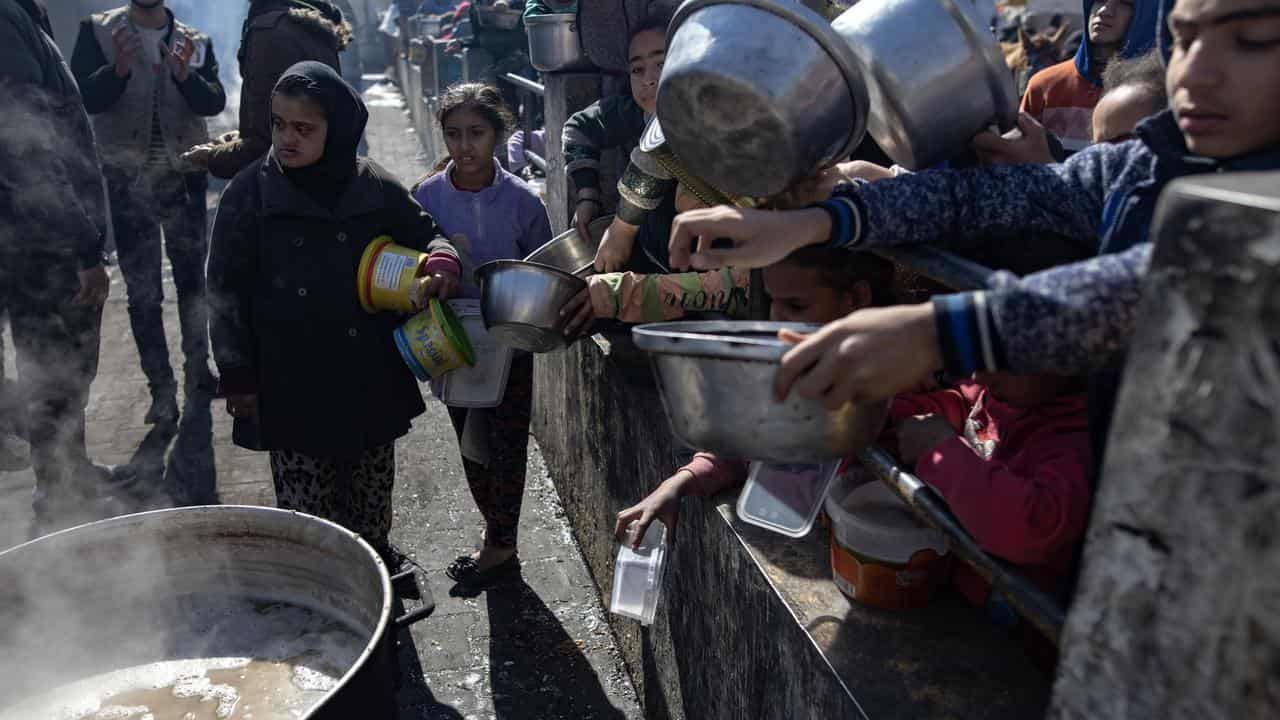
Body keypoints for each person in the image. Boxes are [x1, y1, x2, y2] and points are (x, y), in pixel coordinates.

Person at [663, 0, 1280, 461]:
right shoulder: (1145, 163)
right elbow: (977, 197)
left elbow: (1167, 285)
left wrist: (946, 333)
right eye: (1182, 37)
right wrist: (812, 221)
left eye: (1250, 40)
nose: (1195, 75)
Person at [207, 61, 460, 565]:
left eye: (304, 128)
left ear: (338, 129)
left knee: (369, 507)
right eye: (278, 124)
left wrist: (441, 260)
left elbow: (427, 231)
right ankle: (317, 593)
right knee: (307, 517)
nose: (286, 139)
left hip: (367, 373)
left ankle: (375, 584)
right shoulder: (250, 193)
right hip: (290, 380)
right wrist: (236, 373)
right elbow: (224, 288)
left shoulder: (373, 185)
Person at [613, 248, 895, 546]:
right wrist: (678, 483)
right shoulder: (782, 369)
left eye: (797, 305)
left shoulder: (893, 387)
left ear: (856, 298)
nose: (779, 320)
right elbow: (743, 448)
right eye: (774, 302)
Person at [411, 83, 552, 584]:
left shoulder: (523, 202)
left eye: (476, 133)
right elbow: (411, 260)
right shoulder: (426, 196)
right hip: (451, 338)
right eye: (454, 134)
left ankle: (500, 544)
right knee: (469, 439)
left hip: (509, 341)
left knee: (508, 441)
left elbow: (542, 269)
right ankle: (496, 533)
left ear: (498, 134)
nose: (465, 146)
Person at [71, 0, 226, 426]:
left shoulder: (194, 40)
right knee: (143, 295)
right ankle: (161, 391)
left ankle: (198, 372)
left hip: (184, 178)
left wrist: (185, 75)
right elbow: (85, 97)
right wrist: (117, 70)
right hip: (128, 182)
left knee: (193, 283)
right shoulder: (97, 31)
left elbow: (214, 102)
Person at [0, 0, 117, 531]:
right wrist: (83, 248)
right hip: (44, 243)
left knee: (67, 374)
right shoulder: (6, 18)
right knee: (54, 375)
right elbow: (28, 148)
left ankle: (73, 477)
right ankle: (59, 501)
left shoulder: (24, 14)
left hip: (45, 236)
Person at [888, 373, 1091, 610]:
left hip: (1009, 629)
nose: (978, 375)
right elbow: (966, 405)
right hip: (946, 584)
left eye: (999, 359)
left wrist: (940, 451)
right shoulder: (1010, 388)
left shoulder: (1082, 443)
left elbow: (1028, 529)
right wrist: (893, 414)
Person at [184, 0, 352, 180]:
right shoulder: (302, 21)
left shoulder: (271, 32)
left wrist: (213, 157)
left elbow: (270, 144)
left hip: (289, 191)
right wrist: (240, 137)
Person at [561, 18, 669, 272]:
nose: (649, 80)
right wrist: (587, 195)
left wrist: (622, 229)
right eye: (637, 69)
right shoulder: (629, 113)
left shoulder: (706, 118)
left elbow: (655, 155)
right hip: (655, 263)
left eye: (661, 64)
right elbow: (577, 128)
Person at [1019, 0, 1160, 152]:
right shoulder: (1045, 86)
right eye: (1099, 0)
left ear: (1147, 15)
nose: (1104, 11)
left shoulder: (1159, 94)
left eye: (1124, 3)